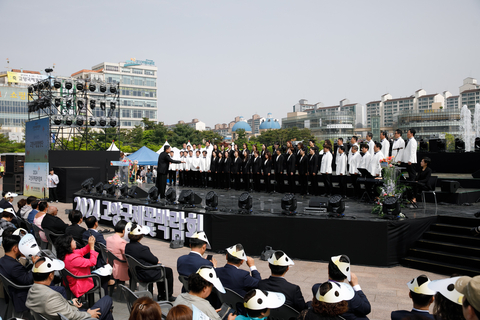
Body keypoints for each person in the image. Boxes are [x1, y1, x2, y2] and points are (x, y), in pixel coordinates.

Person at [26, 256, 114, 320]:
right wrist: (88, 314)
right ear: (50, 275)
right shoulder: (50, 296)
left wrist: (70, 302)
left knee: (107, 314)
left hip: (69, 312)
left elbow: (53, 307)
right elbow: (71, 316)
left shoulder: (32, 290)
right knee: (107, 299)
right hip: (78, 317)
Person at [125, 222, 175, 301]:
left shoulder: (128, 246)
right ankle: (166, 295)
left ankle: (162, 295)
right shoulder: (142, 248)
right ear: (141, 236)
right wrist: (157, 262)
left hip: (134, 272)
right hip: (145, 273)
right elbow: (154, 260)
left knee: (160, 269)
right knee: (167, 271)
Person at [312, 255, 371, 320]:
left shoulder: (317, 288)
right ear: (346, 275)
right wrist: (356, 285)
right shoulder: (350, 296)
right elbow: (366, 308)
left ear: (328, 270)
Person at [55, 233, 109, 298]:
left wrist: (90, 244)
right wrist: (92, 247)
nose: (75, 241)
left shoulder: (66, 255)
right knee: (106, 277)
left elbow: (82, 251)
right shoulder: (73, 259)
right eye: (72, 241)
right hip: (80, 283)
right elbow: (92, 262)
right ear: (67, 245)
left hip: (74, 279)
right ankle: (105, 298)